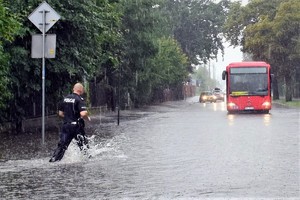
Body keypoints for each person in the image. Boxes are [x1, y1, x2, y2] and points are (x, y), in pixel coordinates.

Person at [49, 83, 91, 162]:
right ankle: (87, 160)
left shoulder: (65, 99)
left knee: (62, 146)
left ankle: (54, 160)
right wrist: (87, 118)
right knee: (84, 146)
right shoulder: (79, 99)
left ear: (73, 89)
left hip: (66, 126)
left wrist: (68, 117)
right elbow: (83, 113)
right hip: (76, 127)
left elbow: (60, 113)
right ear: (81, 90)